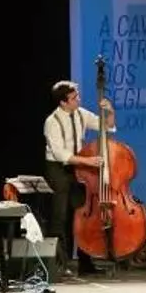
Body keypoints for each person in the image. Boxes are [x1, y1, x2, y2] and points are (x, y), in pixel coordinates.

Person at [43, 80, 113, 277]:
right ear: (63, 102)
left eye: (78, 96)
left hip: (79, 166)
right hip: (58, 168)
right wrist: (88, 161)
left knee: (83, 214)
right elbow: (60, 154)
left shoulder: (81, 114)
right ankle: (60, 264)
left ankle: (85, 263)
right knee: (60, 216)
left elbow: (107, 127)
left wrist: (110, 111)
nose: (79, 100)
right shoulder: (52, 122)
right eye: (74, 98)